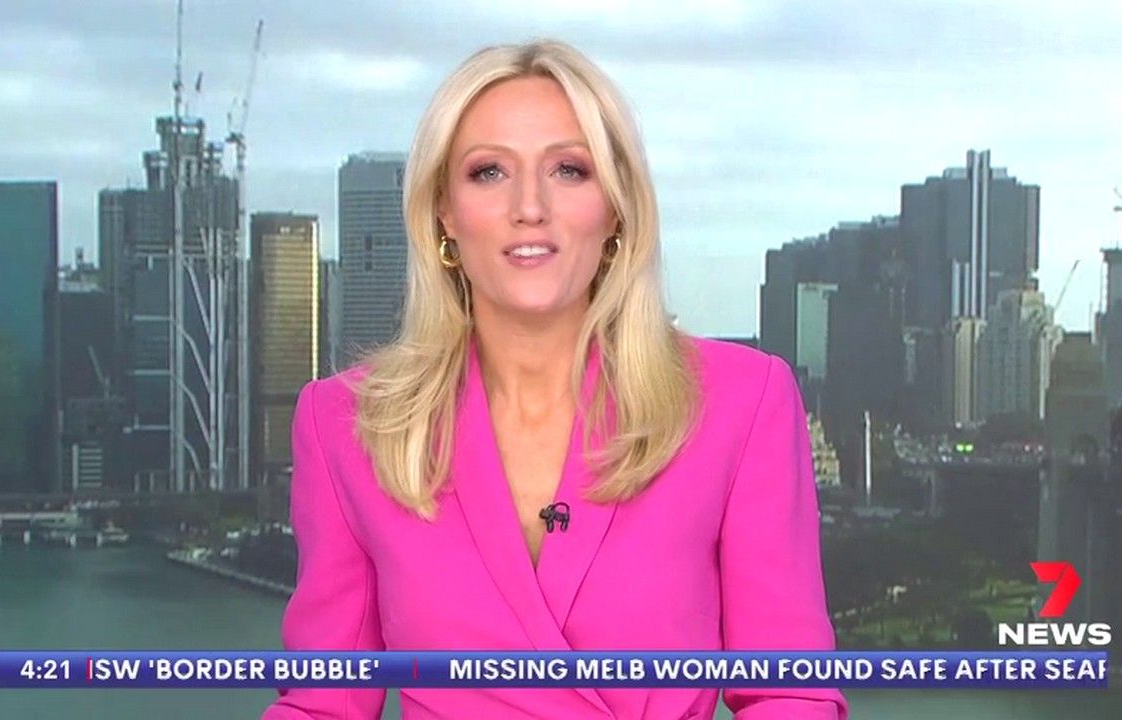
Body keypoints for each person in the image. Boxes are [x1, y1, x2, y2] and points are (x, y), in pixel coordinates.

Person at [262, 38, 848, 720]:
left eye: (569, 170)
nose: (530, 207)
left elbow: (790, 692)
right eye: (488, 172)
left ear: (616, 208)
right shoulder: (344, 425)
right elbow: (323, 702)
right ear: (443, 212)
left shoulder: (741, 404)